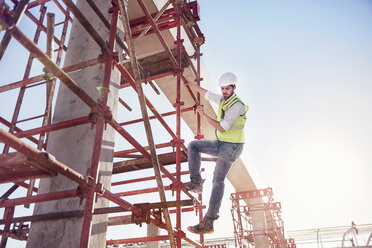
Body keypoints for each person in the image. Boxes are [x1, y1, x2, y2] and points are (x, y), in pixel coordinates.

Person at [184, 72, 249, 234]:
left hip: (233, 146)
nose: (224, 91)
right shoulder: (223, 99)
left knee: (217, 180)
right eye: (223, 88)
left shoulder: (237, 105)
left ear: (234, 87)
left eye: (227, 88)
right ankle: (196, 182)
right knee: (193, 145)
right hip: (222, 143)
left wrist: (203, 115)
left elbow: (222, 127)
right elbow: (207, 94)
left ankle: (209, 221)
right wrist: (190, 84)